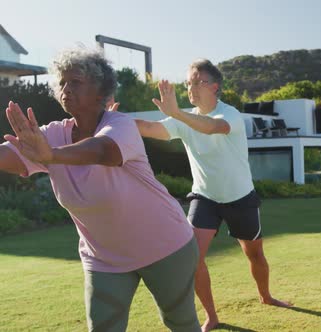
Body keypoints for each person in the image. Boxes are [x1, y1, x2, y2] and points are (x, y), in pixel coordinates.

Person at [1, 48, 201, 332]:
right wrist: (47, 152)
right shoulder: (51, 135)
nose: (66, 89)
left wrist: (51, 156)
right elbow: (7, 155)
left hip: (165, 244)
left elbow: (103, 151)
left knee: (181, 323)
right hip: (105, 258)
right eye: (62, 83)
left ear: (101, 91)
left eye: (77, 82)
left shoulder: (120, 125)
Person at [133, 59, 291, 332]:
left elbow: (211, 127)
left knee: (254, 255)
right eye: (188, 83)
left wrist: (177, 114)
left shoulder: (229, 115)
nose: (190, 88)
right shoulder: (183, 119)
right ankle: (212, 316)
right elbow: (150, 129)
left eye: (197, 82)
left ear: (214, 87)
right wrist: (112, 120)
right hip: (205, 198)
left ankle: (266, 295)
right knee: (192, 258)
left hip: (240, 198)